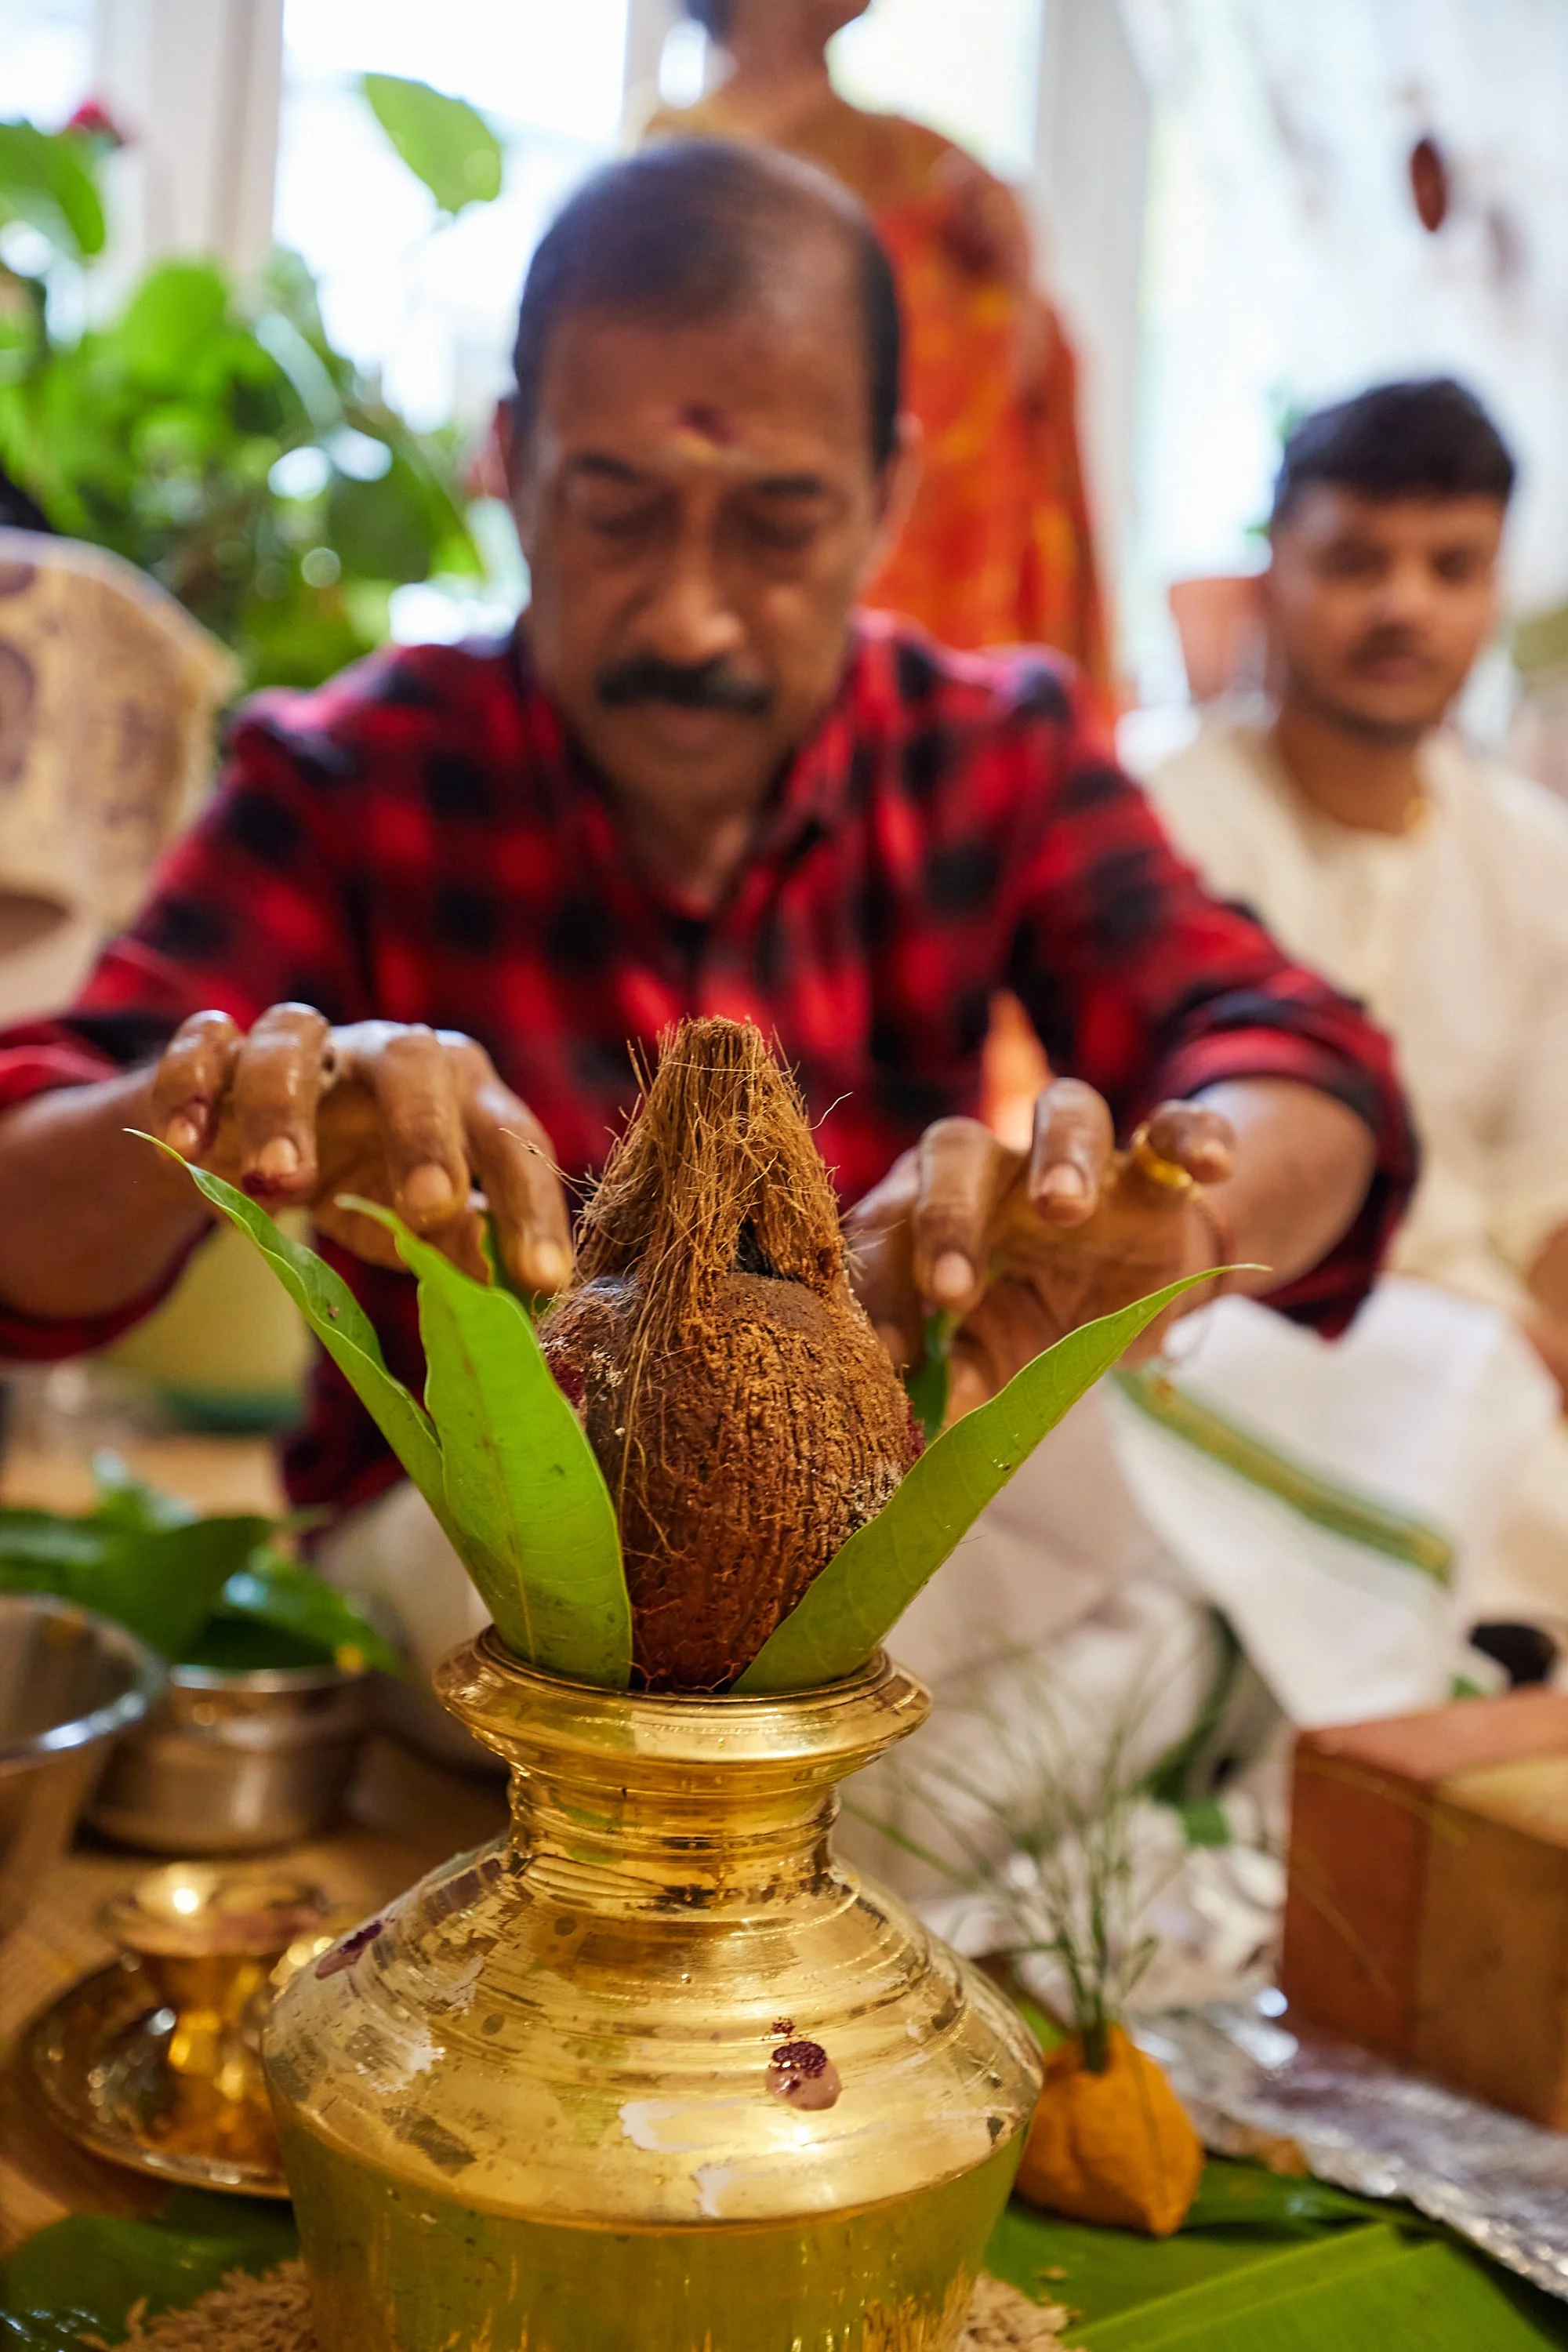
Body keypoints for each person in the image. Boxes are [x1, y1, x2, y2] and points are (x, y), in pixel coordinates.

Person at [0, 144, 1407, 1715]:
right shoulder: (348, 781)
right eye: (613, 510)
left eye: (777, 526)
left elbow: (1305, 1063)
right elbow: (29, 1180)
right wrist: (213, 1107)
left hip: (871, 1581)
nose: (689, 616)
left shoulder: (986, 755)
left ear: (888, 499)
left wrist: (1177, 1214)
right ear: (511, 464)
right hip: (455, 1641)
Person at [1146, 378, 1568, 1663]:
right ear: (1274, 569)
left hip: (1498, 1375)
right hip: (1229, 1326)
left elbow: (1547, 1194)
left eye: (1452, 566)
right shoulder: (1160, 821)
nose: (1405, 605)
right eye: (1356, 560)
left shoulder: (1537, 855)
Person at [645, 1, 1111, 702]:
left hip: (914, 589)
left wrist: (1009, 278)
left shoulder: (933, 170)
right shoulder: (665, 159)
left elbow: (1025, 372)